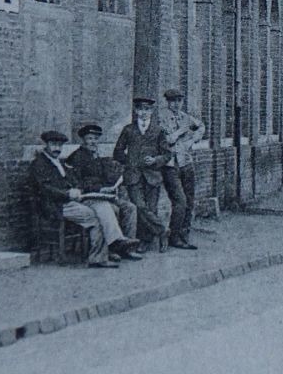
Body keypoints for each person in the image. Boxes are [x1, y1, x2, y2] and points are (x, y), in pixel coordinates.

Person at [27, 130, 121, 267]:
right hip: (54, 206)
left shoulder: (58, 162)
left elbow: (73, 180)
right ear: (46, 145)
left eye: (60, 146)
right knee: (94, 216)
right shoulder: (39, 164)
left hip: (68, 202)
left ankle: (110, 248)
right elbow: (45, 188)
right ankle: (98, 257)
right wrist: (67, 193)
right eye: (53, 145)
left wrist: (78, 189)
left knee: (106, 208)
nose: (57, 149)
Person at [66, 123, 141, 263]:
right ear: (83, 140)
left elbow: (106, 177)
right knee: (113, 209)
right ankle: (112, 249)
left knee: (130, 208)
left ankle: (128, 247)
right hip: (89, 196)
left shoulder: (97, 157)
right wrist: (99, 189)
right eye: (90, 139)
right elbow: (77, 182)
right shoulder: (77, 157)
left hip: (104, 194)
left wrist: (115, 181)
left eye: (95, 139)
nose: (93, 142)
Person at [113, 98, 173, 251]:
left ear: (151, 112)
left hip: (153, 175)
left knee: (151, 209)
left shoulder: (158, 131)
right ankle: (162, 230)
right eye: (140, 109)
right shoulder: (128, 130)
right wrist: (130, 161)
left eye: (147, 110)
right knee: (139, 206)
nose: (144, 113)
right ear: (136, 111)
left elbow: (167, 154)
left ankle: (145, 242)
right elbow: (117, 152)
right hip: (133, 175)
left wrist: (155, 160)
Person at [159, 88, 204, 250]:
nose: (176, 104)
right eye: (173, 101)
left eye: (179, 101)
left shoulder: (186, 117)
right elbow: (169, 139)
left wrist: (192, 141)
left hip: (186, 162)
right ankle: (174, 236)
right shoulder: (162, 119)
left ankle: (185, 236)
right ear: (167, 102)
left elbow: (201, 127)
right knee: (180, 201)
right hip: (170, 165)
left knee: (190, 200)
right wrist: (183, 130)